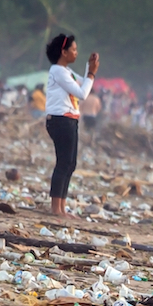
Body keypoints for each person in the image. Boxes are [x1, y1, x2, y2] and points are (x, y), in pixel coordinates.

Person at [44, 33, 99, 218]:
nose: (76, 53)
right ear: (63, 52)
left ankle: (61, 207)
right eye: (73, 50)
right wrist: (91, 73)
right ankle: (56, 209)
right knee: (63, 163)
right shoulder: (58, 71)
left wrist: (89, 69)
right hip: (61, 120)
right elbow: (83, 94)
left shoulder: (66, 72)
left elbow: (83, 83)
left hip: (69, 120)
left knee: (70, 163)